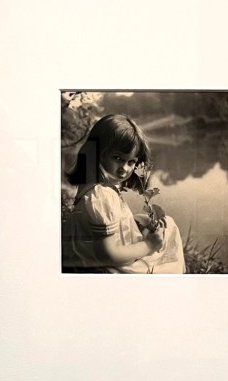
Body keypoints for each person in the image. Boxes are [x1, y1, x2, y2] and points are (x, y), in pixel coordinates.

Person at [62, 114, 185, 273]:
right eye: (118, 158)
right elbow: (109, 255)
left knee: (165, 225)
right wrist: (149, 245)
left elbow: (101, 223)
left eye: (131, 161)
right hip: (111, 266)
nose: (124, 169)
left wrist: (134, 220)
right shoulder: (101, 196)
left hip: (98, 256)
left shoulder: (91, 187)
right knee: (168, 231)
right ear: (97, 153)